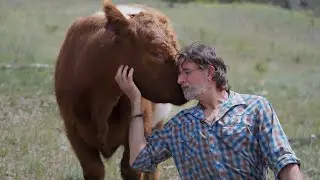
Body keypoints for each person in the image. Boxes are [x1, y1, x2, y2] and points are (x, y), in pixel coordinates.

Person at [115, 42, 303, 180]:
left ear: (209, 72)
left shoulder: (255, 108)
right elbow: (140, 160)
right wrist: (136, 101)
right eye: (179, 74)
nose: (180, 80)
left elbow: (283, 161)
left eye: (186, 72)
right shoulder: (180, 124)